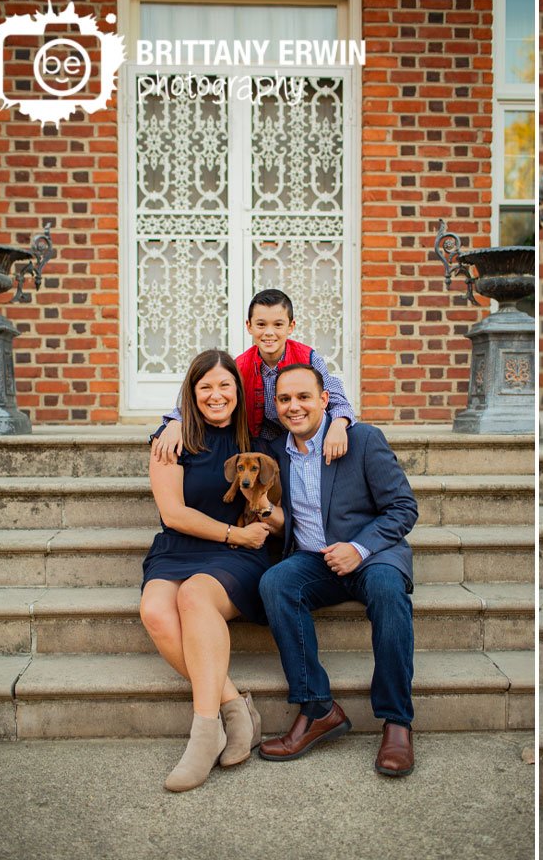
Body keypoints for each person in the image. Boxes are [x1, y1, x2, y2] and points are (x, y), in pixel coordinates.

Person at [256, 364, 420, 776]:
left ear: (325, 399)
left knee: (386, 589)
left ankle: (397, 721)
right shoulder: (275, 455)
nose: (295, 407)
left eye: (304, 397)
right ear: (275, 407)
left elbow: (403, 508)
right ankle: (317, 708)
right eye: (284, 399)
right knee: (275, 582)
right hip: (314, 560)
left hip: (371, 554)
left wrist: (358, 548)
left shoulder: (361, 439)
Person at [140, 349, 285, 792]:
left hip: (237, 557)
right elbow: (174, 514)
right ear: (192, 393)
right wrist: (232, 533)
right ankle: (235, 707)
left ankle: (204, 734)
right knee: (156, 612)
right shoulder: (170, 441)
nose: (216, 394)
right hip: (183, 545)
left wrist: (265, 516)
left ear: (239, 393)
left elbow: (281, 519)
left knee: (194, 597)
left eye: (225, 386)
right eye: (206, 387)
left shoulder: (260, 445)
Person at [152, 288, 356, 465]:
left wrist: (339, 425)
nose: (269, 333)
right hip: (261, 443)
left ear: (290, 326)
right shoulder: (240, 366)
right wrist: (175, 423)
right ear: (249, 326)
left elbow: (336, 398)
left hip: (306, 437)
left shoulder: (309, 358)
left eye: (278, 325)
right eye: (261, 325)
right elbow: (212, 397)